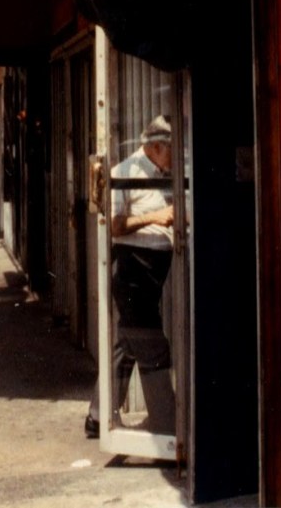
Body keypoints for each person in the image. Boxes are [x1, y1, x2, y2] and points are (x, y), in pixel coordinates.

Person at [85, 115, 176, 438]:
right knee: (152, 347)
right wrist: (157, 217)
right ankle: (168, 428)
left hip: (154, 273)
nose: (175, 157)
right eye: (171, 150)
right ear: (154, 147)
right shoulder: (123, 173)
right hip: (133, 270)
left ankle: (98, 416)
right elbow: (114, 225)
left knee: (127, 344)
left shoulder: (166, 173)